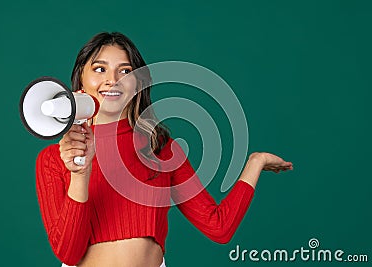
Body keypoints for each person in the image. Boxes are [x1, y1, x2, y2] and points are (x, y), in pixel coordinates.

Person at [35, 32, 293, 267]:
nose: (112, 80)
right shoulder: (54, 159)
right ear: (81, 78)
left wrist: (255, 162)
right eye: (99, 69)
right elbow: (68, 254)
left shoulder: (160, 148)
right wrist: (80, 173)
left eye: (125, 71)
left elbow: (219, 228)